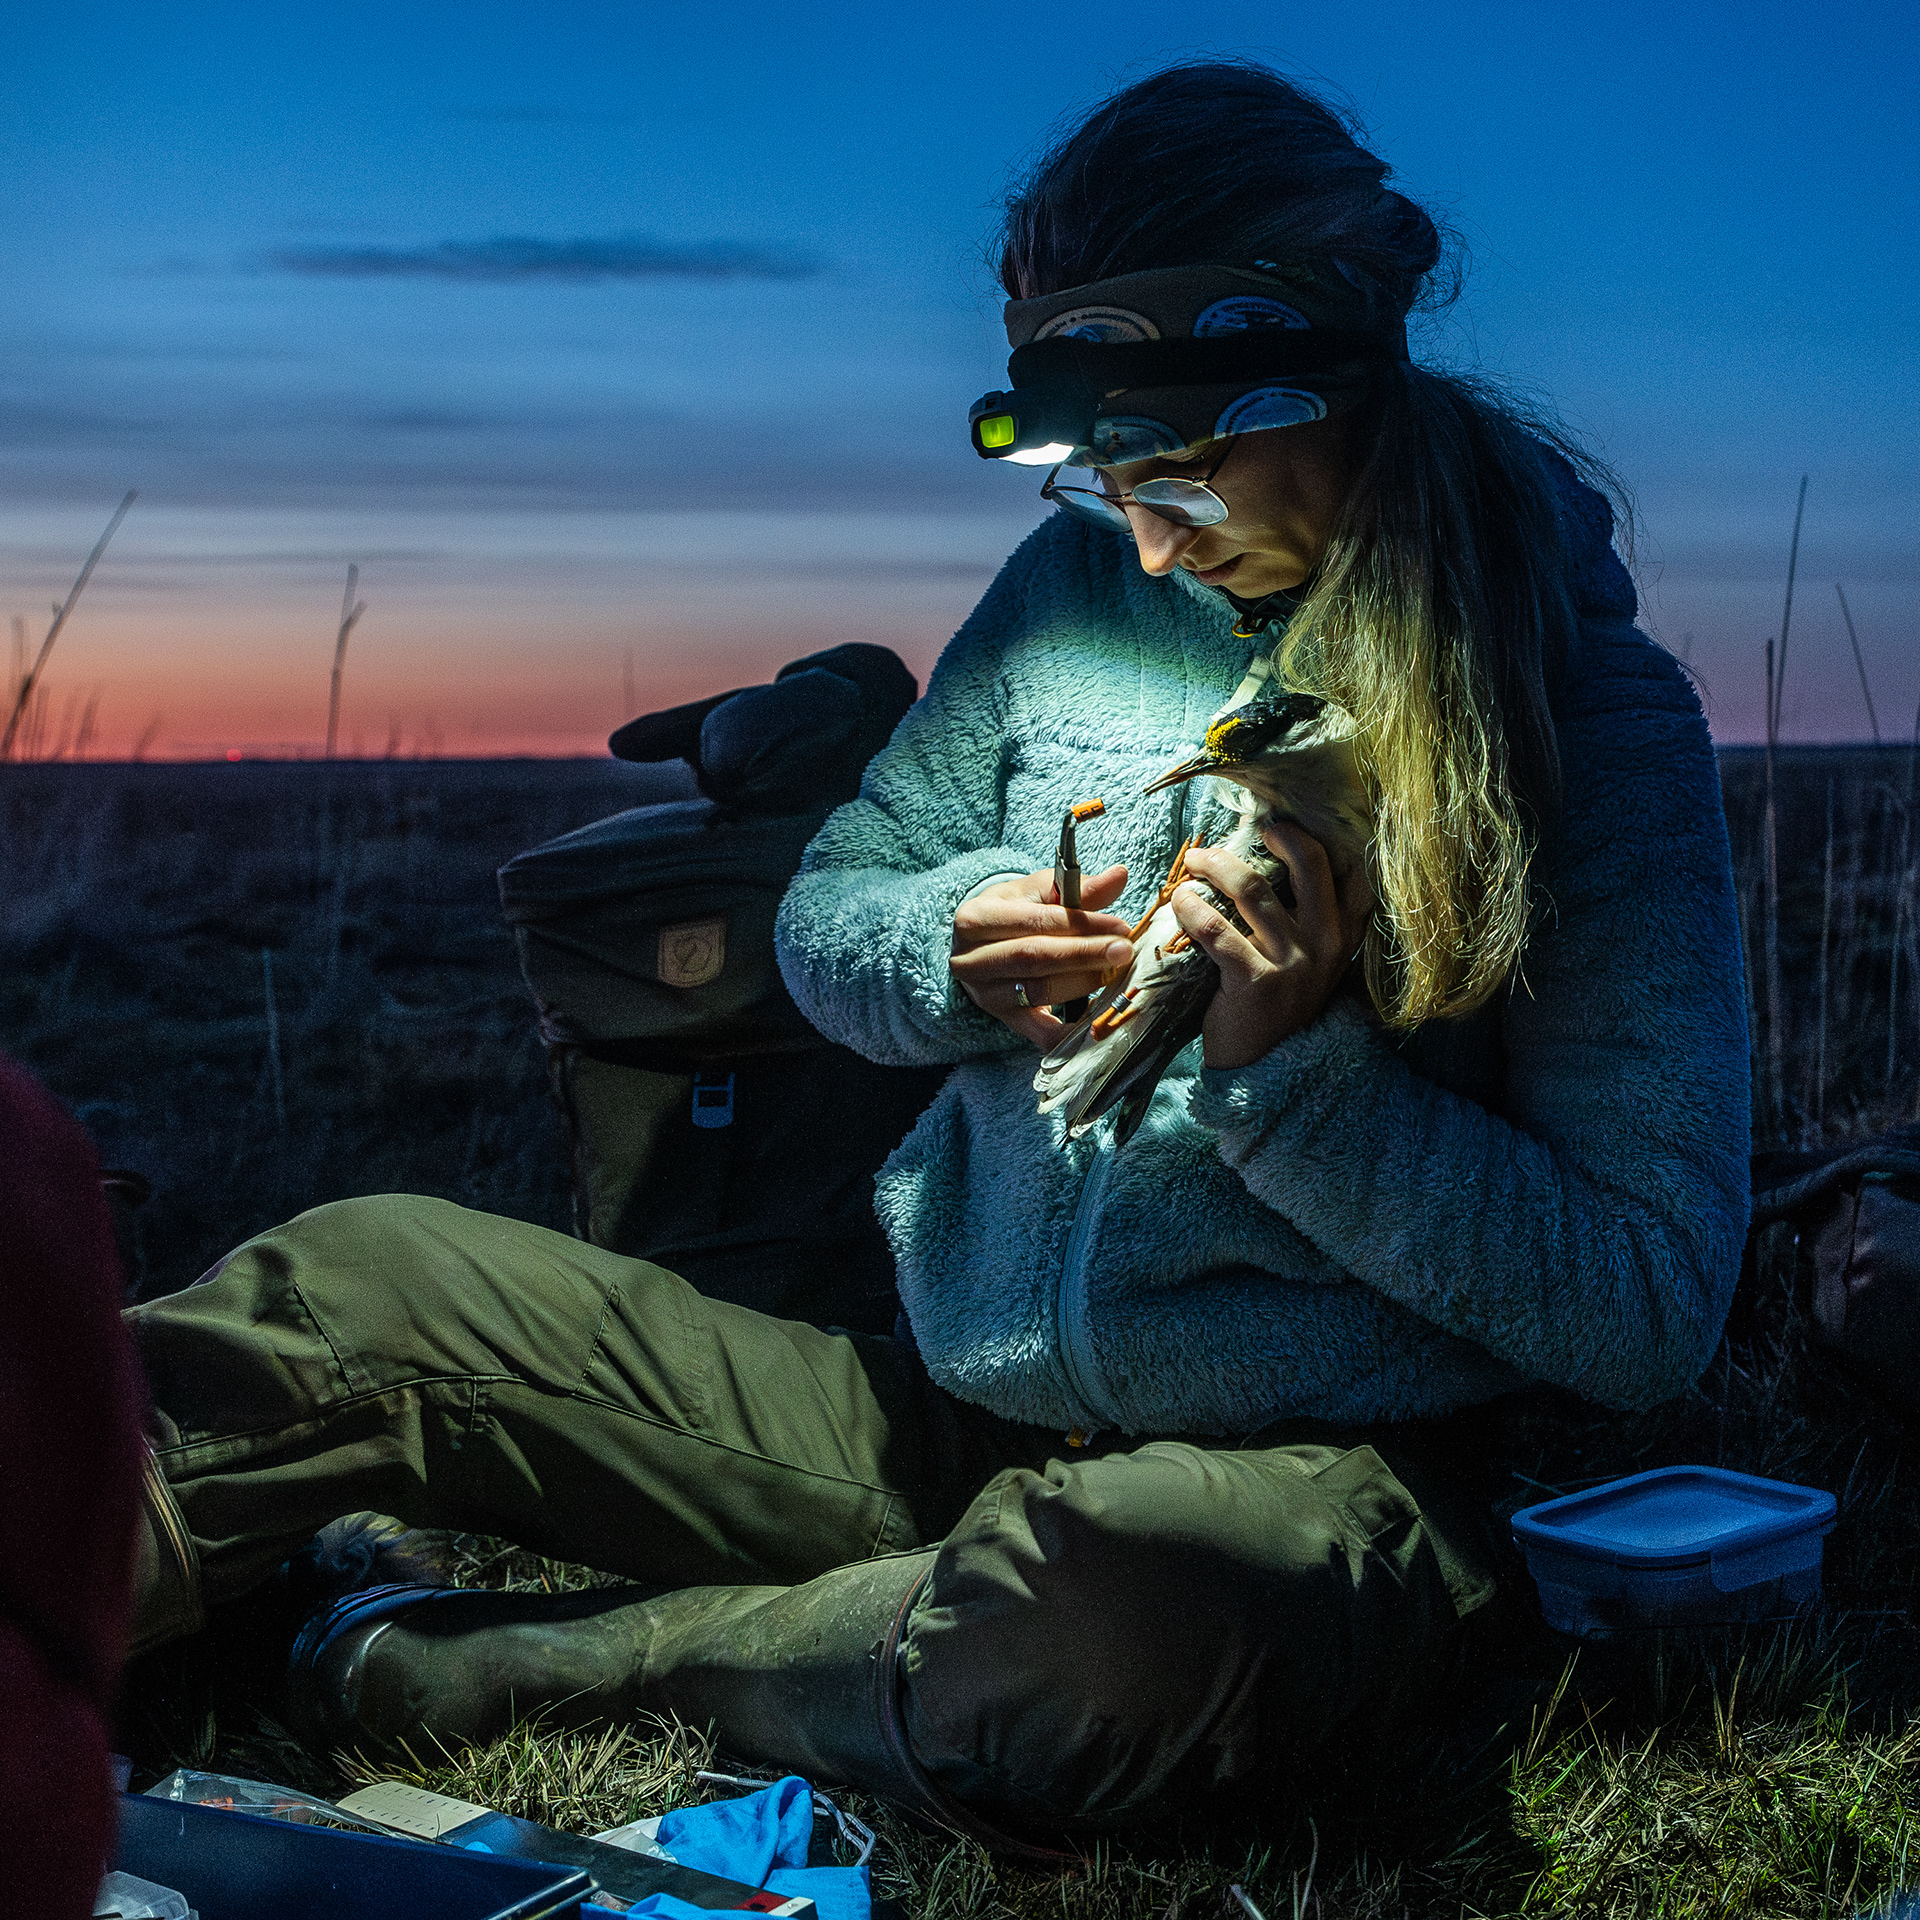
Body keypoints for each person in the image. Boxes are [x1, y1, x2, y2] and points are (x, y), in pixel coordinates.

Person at [121, 62, 1748, 1846]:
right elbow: (837, 911)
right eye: (1105, 472)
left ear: (1341, 372)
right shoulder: (1066, 603)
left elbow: (1644, 1301)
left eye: (1190, 465)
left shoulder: (1580, 723)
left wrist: (1298, 1081)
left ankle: (435, 1668)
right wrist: (944, 948)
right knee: (363, 1291)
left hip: (1303, 1488)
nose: (1144, 531)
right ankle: (65, 1599)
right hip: (939, 1420)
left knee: (1111, 1631)